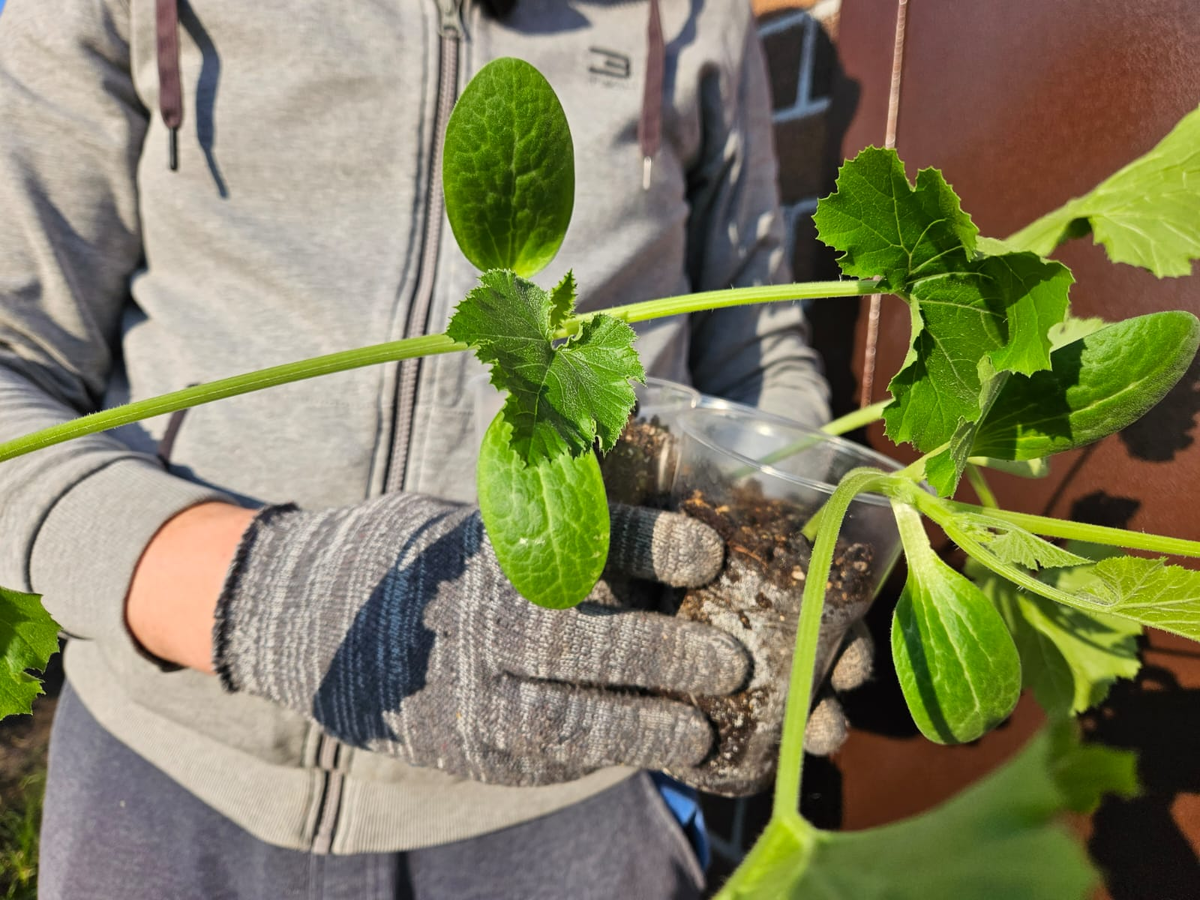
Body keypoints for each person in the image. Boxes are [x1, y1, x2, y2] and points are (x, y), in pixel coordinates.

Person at [0, 1, 849, 896]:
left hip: (577, 798)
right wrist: (263, 594)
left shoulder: (694, 15)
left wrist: (775, 564)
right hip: (165, 774)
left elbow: (756, 355)